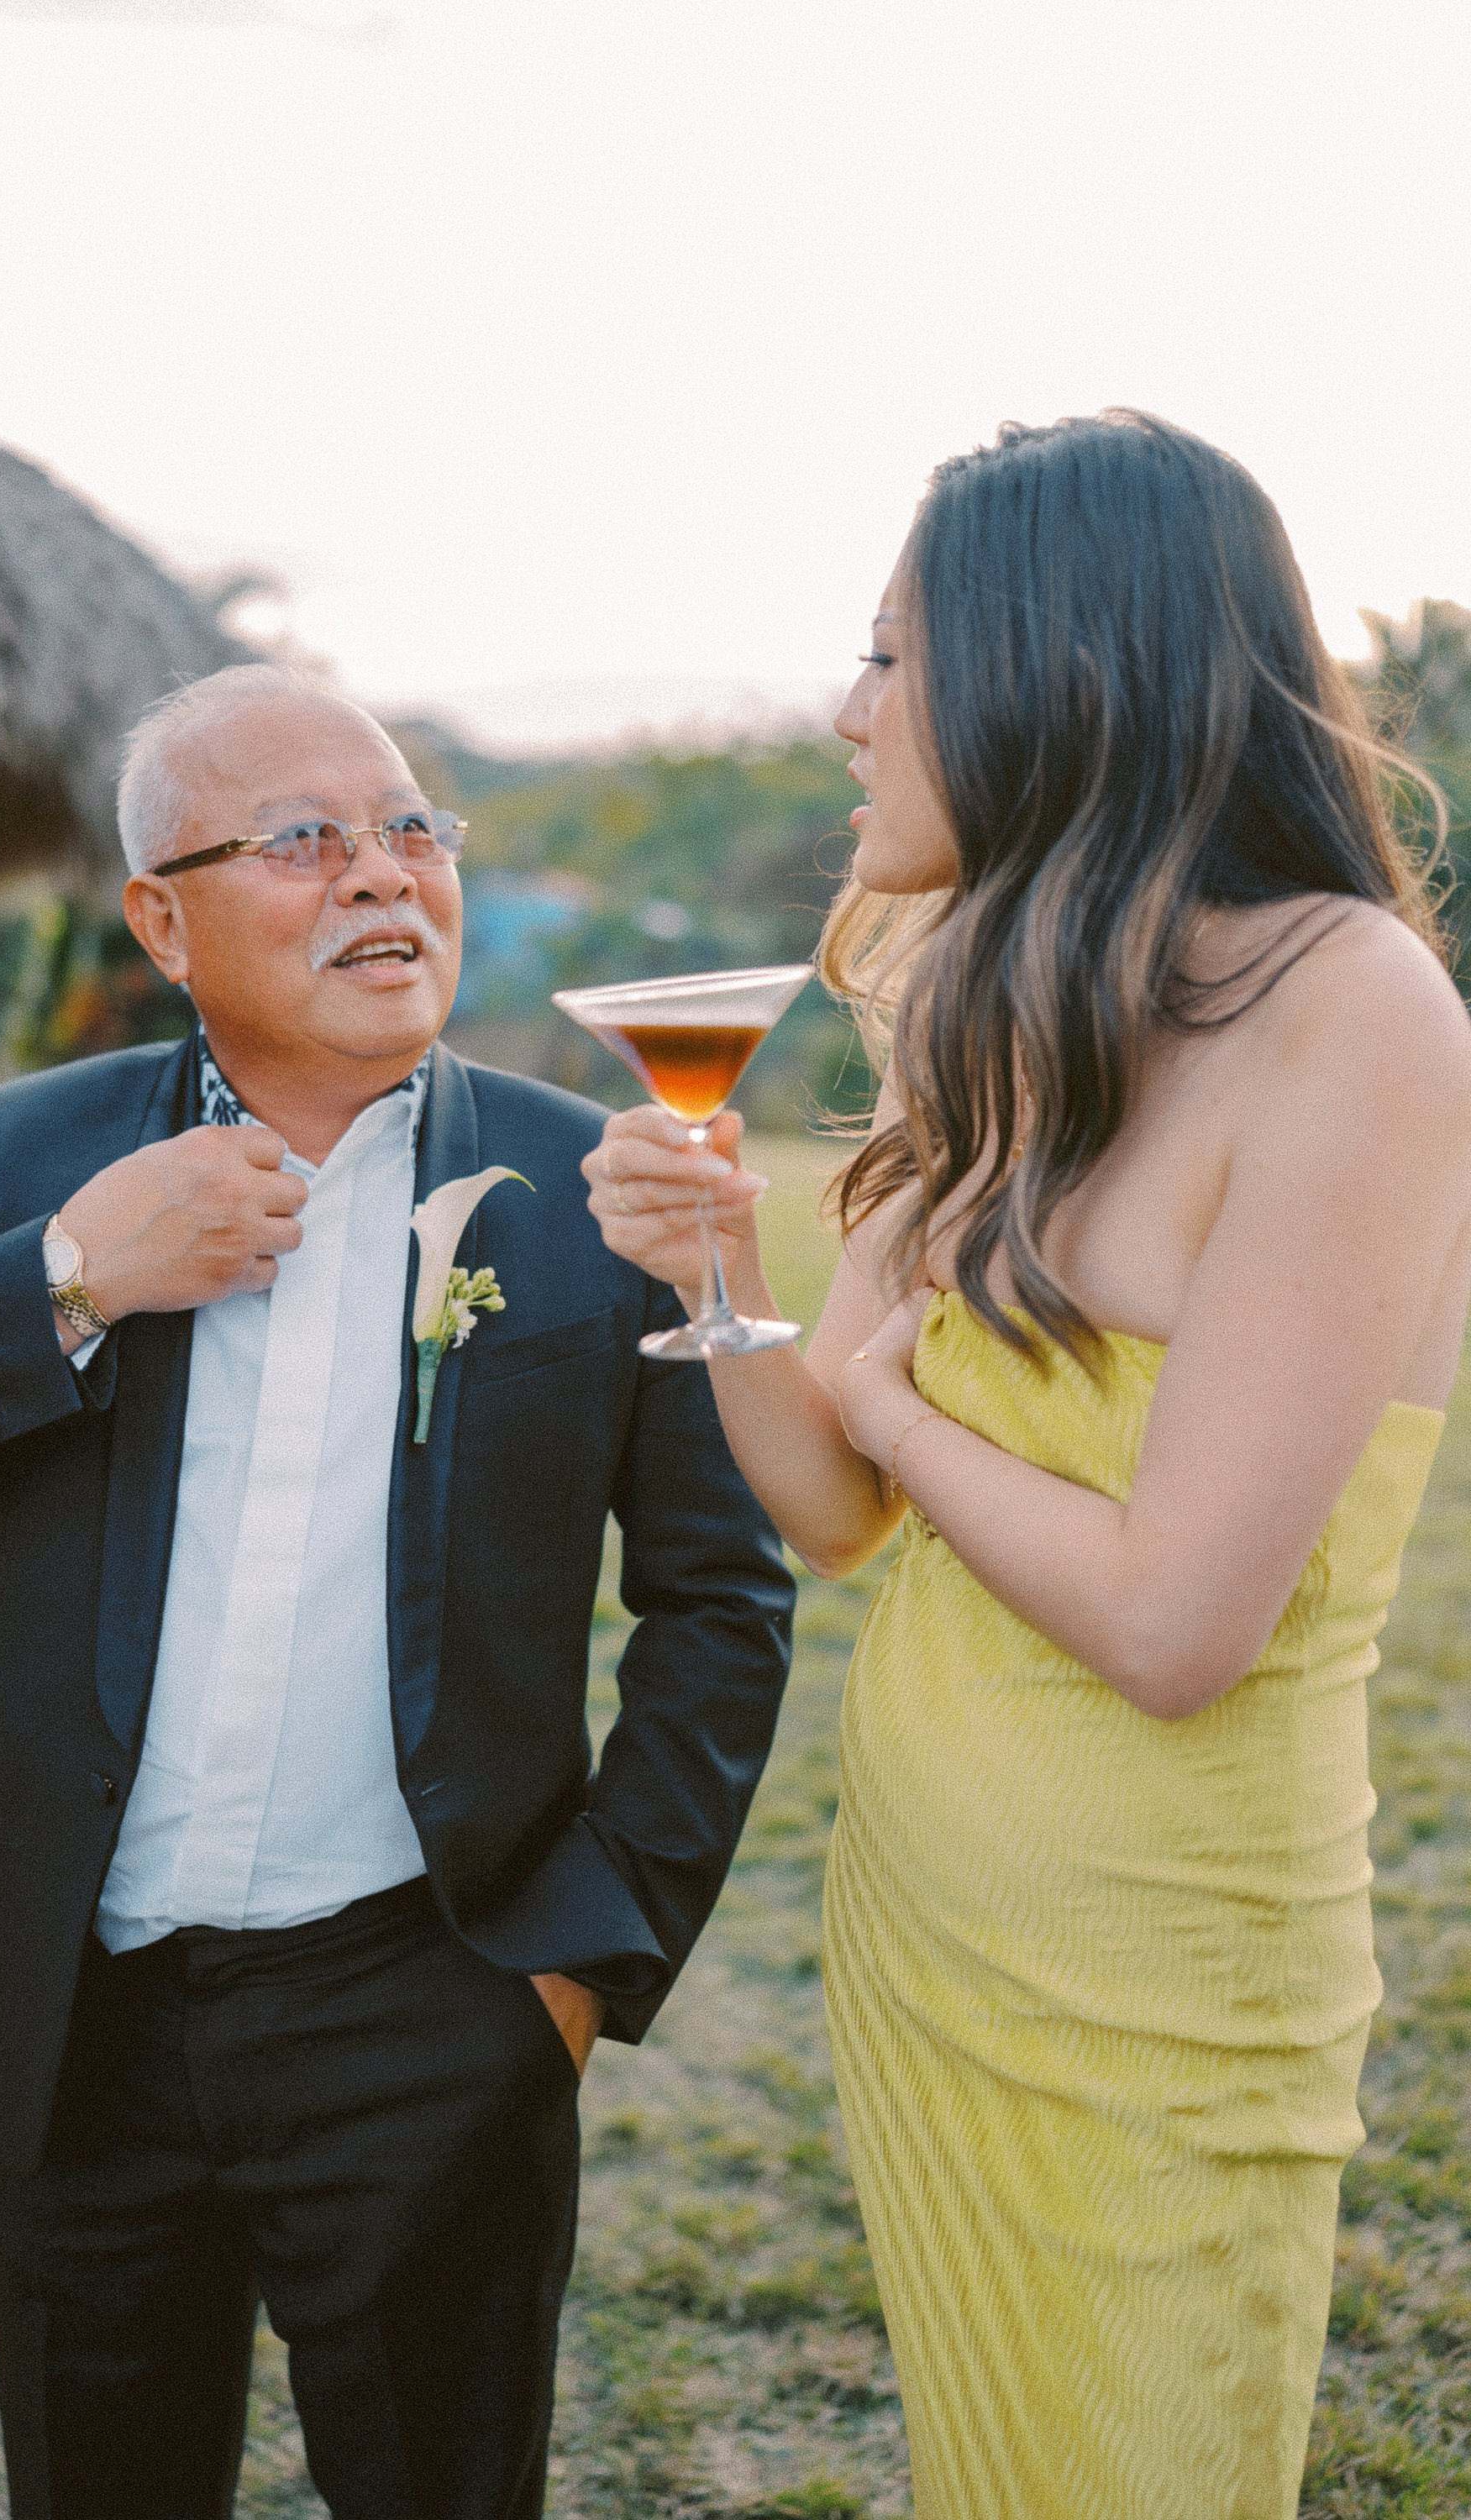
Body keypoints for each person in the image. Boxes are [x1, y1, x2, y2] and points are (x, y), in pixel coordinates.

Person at [581, 412, 1471, 2520]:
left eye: (891, 658)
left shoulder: (1356, 1011)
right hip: (928, 1934)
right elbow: (828, 1513)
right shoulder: (981, 1002)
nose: (846, 715)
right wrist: (722, 1283)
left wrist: (882, 1394)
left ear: (1054, 664)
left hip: (1163, 1985)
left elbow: (1175, 1622)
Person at [0, 664, 795, 2520]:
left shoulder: (597, 1192)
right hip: (83, 2024)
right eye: (304, 839)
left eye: (413, 827)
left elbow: (720, 1603)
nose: (381, 877)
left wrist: (575, 1967)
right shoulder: (23, 1158)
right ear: (160, 920)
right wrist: (77, 1273)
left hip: (435, 2012)